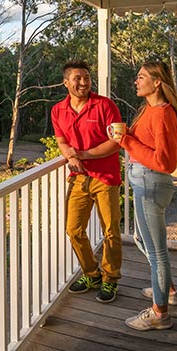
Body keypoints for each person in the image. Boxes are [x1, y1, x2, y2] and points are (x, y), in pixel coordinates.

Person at [116, 60, 177, 330]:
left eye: (141, 77)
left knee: (158, 253)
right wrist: (126, 136)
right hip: (143, 182)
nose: (136, 81)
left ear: (157, 82)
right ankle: (167, 290)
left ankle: (160, 314)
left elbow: (165, 162)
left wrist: (126, 141)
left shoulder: (161, 113)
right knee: (140, 238)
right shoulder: (149, 110)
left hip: (151, 183)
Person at [51, 59, 123, 303]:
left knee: (111, 230)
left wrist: (83, 154)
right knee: (73, 229)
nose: (83, 82)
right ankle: (92, 273)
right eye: (77, 78)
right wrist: (70, 154)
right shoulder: (58, 110)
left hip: (105, 177)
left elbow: (116, 141)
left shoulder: (105, 105)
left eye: (86, 78)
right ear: (66, 83)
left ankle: (110, 278)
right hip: (79, 177)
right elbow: (61, 140)